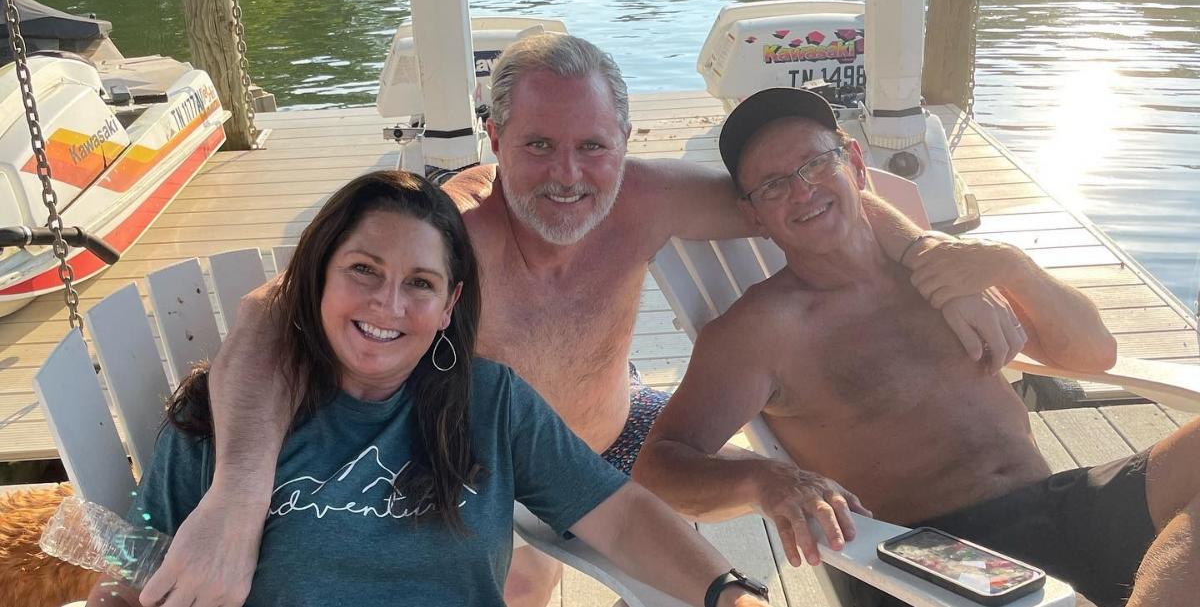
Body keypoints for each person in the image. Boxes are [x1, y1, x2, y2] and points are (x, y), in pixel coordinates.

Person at [141, 34, 1024, 607]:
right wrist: (240, 495)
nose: (569, 174)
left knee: (743, 473)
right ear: (495, 138)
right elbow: (272, 314)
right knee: (514, 571)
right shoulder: (450, 239)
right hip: (487, 461)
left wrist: (927, 259)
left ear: (624, 142)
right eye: (539, 146)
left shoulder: (648, 198)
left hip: (618, 435)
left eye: (593, 146)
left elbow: (806, 192)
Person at [85, 171, 777, 607]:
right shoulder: (223, 418)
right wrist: (117, 591)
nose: (389, 304)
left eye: (420, 283)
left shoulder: (489, 402)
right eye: (363, 269)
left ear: (449, 306)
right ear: (318, 277)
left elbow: (619, 513)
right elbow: (135, 557)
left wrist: (727, 592)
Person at [633, 87, 1200, 607]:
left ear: (854, 164)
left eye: (814, 163)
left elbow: (1095, 353)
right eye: (774, 185)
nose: (803, 190)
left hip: (1063, 504)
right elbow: (660, 465)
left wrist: (1010, 265)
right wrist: (764, 480)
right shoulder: (760, 330)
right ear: (753, 214)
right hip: (944, 559)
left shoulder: (945, 271)